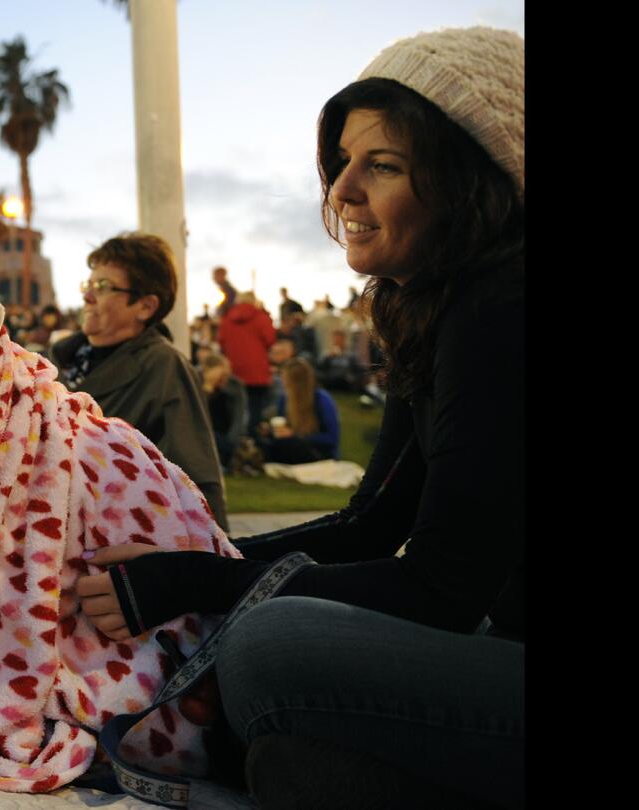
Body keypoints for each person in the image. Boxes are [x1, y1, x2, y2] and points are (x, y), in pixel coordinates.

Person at [76, 27, 523, 809]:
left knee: (269, 648)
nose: (341, 189)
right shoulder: (437, 309)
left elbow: (443, 586)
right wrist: (196, 555)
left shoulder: (504, 305)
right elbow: (370, 522)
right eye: (342, 161)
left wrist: (199, 581)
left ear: (465, 182)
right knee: (288, 749)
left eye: (380, 166)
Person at [51, 233, 229, 531]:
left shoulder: (165, 366)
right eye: (89, 284)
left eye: (104, 287)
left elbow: (197, 475)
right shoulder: (57, 362)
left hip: (114, 535)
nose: (87, 296)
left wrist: (214, 564)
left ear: (145, 306)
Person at [257, 357, 340, 464]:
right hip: (291, 444)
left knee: (291, 444)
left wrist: (298, 436)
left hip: (317, 450)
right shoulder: (285, 399)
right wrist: (270, 431)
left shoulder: (321, 399)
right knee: (264, 442)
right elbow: (284, 429)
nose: (283, 383)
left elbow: (331, 438)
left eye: (285, 380)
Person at [200, 353, 246, 472]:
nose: (222, 379)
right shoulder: (198, 385)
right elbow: (197, 416)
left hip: (225, 437)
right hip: (203, 435)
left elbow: (239, 417)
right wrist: (208, 388)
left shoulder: (234, 387)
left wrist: (232, 441)